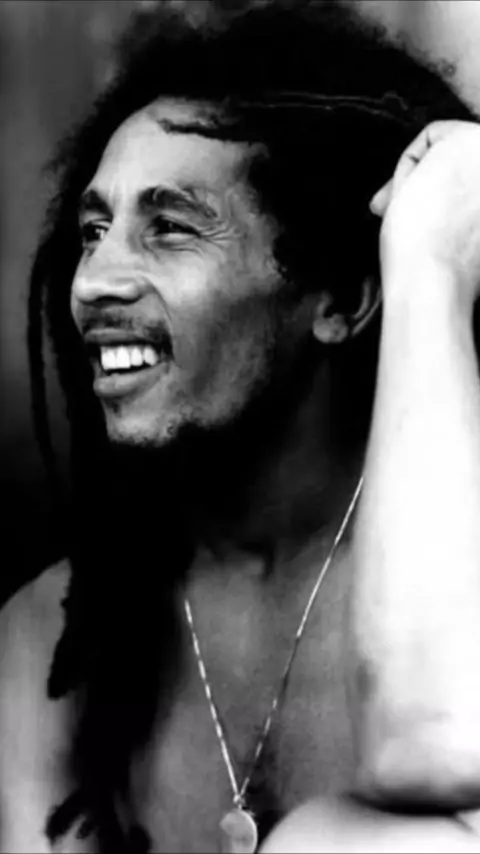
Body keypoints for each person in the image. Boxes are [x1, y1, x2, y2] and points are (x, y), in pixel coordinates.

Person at [2, 3, 480, 852]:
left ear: (343, 299)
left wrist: (431, 266)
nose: (92, 282)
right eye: (94, 231)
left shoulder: (457, 585)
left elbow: (440, 751)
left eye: (169, 228)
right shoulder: (55, 632)